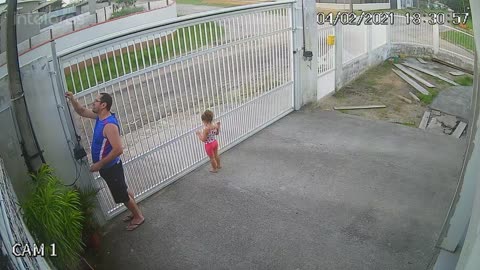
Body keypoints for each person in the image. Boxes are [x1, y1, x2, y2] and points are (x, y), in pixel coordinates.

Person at [65, 91, 145, 231]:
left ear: (103, 105)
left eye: (96, 101)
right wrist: (72, 99)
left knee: (123, 195)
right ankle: (135, 211)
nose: (93, 103)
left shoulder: (109, 125)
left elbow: (118, 149)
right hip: (108, 168)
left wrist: (99, 164)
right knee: (123, 190)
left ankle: (138, 216)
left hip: (111, 168)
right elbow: (81, 111)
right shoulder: (99, 117)